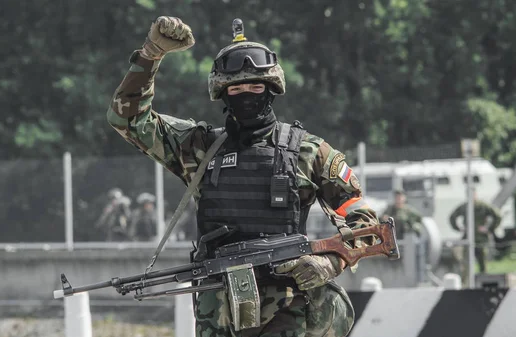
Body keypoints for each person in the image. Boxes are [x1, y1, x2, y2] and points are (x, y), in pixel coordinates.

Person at [106, 16, 379, 337]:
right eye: (237, 88)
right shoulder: (199, 147)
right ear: (223, 93)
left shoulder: (309, 152)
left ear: (271, 89)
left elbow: (366, 222)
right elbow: (128, 119)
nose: (246, 94)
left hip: (291, 313)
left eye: (255, 86)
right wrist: (150, 56)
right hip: (220, 312)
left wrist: (331, 261)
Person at [449, 190, 502, 275]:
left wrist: (489, 228)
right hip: (468, 239)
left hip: (481, 240)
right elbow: (452, 217)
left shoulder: (482, 206)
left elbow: (497, 216)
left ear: (475, 195)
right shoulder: (464, 207)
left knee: (482, 264)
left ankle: (483, 281)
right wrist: (459, 228)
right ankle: (467, 282)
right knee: (466, 263)